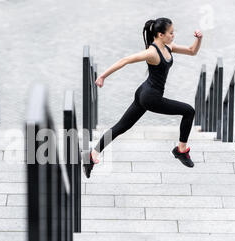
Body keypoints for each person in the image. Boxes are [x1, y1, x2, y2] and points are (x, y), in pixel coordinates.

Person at [83, 17, 203, 178]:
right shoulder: (152, 52)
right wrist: (103, 76)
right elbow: (125, 60)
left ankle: (92, 156)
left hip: (144, 92)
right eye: (171, 33)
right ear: (160, 35)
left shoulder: (168, 47)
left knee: (121, 127)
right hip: (151, 98)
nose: (173, 35)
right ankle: (181, 150)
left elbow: (192, 51)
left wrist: (199, 39)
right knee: (189, 111)